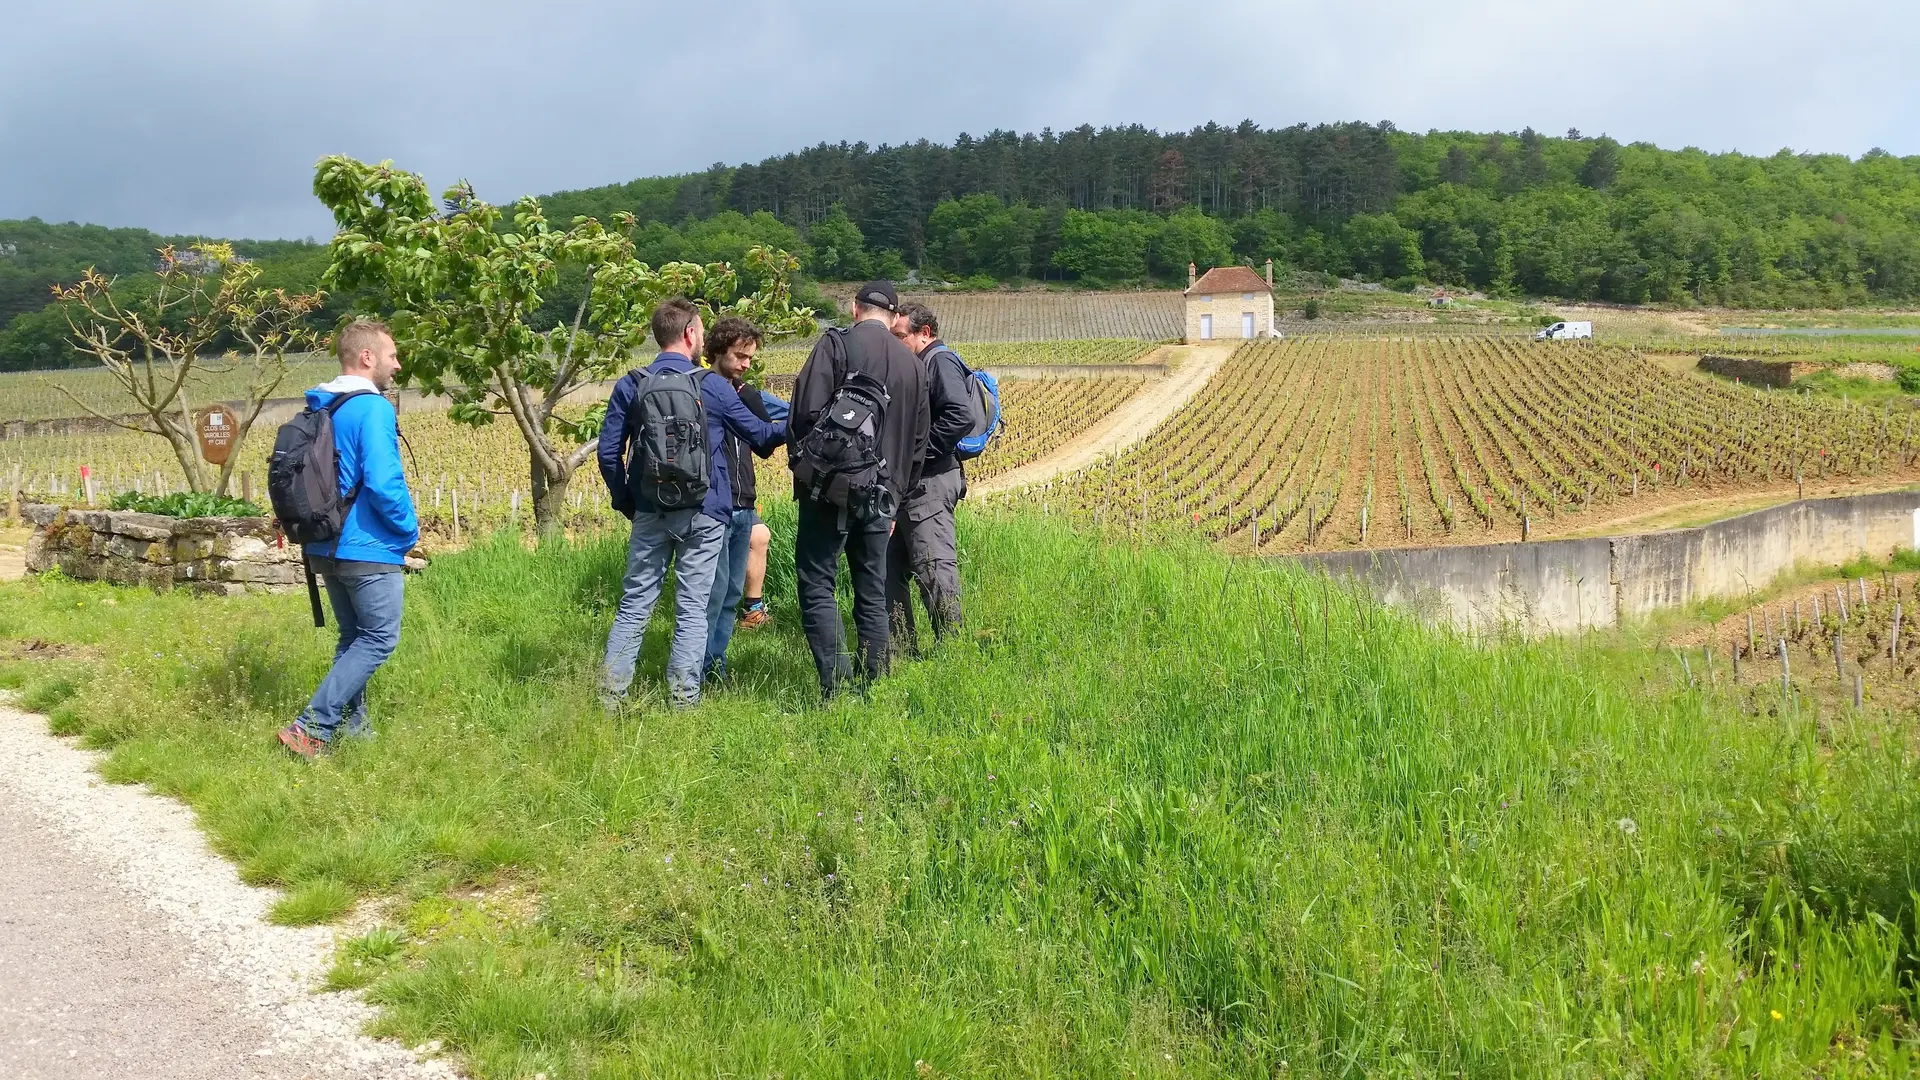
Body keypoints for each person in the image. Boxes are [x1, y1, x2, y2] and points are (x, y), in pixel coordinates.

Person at [598, 299, 786, 708]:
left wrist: (628, 502)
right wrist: (805, 419)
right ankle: (683, 702)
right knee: (693, 610)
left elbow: (609, 452)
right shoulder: (712, 385)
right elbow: (761, 435)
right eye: (700, 331)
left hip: (651, 510)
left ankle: (610, 700)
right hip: (706, 512)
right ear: (689, 334)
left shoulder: (631, 383)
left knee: (634, 606)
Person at [278, 320, 418, 760]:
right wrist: (408, 530)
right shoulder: (372, 409)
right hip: (366, 545)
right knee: (379, 639)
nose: (397, 365)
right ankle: (311, 726)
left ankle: (355, 732)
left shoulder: (325, 406)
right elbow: (382, 481)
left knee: (353, 637)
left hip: (323, 545)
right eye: (392, 356)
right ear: (367, 357)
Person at [788, 280, 930, 699]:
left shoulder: (835, 346)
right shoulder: (913, 366)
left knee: (817, 581)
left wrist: (806, 472)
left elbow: (803, 416)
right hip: (882, 498)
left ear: (855, 308)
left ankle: (835, 687)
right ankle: (875, 684)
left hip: (828, 490)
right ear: (894, 318)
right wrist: (896, 497)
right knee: (872, 588)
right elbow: (917, 445)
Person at [886, 302, 973, 652]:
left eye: (900, 336)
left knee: (933, 566)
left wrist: (917, 453)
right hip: (912, 485)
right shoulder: (922, 364)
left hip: (931, 483)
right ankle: (902, 649)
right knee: (889, 569)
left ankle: (952, 648)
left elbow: (959, 415)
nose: (895, 343)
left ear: (925, 333)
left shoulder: (940, 361)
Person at [700, 317, 779, 680]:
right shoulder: (702, 390)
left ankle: (716, 663)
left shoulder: (744, 393)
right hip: (715, 504)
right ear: (716, 351)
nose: (746, 363)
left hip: (744, 501)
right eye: (739, 355)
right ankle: (700, 666)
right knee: (712, 593)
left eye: (750, 357)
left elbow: (762, 442)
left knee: (731, 592)